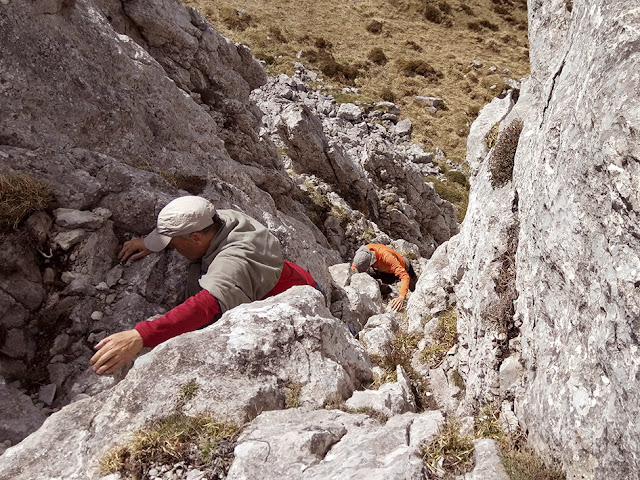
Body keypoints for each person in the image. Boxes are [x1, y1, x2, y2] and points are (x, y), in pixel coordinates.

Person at [90, 195, 316, 375]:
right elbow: (186, 225)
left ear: (196, 238)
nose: (173, 248)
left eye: (173, 244)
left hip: (296, 299)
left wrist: (140, 336)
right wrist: (151, 242)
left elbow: (203, 306)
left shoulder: (233, 263)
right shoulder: (222, 220)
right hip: (291, 274)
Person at [351, 243, 418, 312]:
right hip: (382, 271)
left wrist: (401, 296)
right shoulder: (362, 255)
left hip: (404, 268)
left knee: (416, 289)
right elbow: (354, 267)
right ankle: (385, 290)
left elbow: (404, 276)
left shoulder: (386, 257)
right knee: (370, 277)